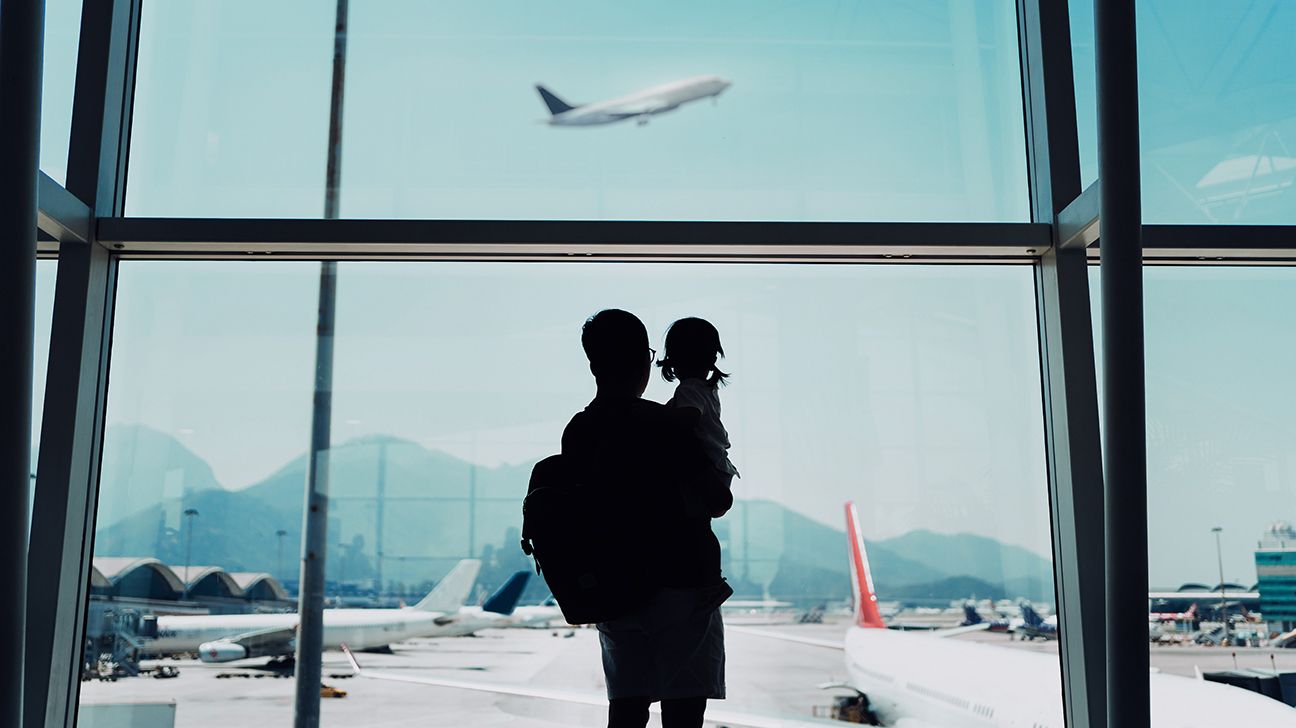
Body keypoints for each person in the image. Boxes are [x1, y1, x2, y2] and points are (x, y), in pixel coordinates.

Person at [561, 309, 733, 728]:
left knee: (626, 709)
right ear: (644, 359)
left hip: (614, 588)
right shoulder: (664, 425)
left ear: (592, 362)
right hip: (681, 586)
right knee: (683, 713)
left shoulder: (579, 431)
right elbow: (717, 499)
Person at [657, 317, 739, 490]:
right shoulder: (707, 390)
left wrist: (656, 414)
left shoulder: (689, 388)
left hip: (708, 467)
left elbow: (689, 418)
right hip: (719, 466)